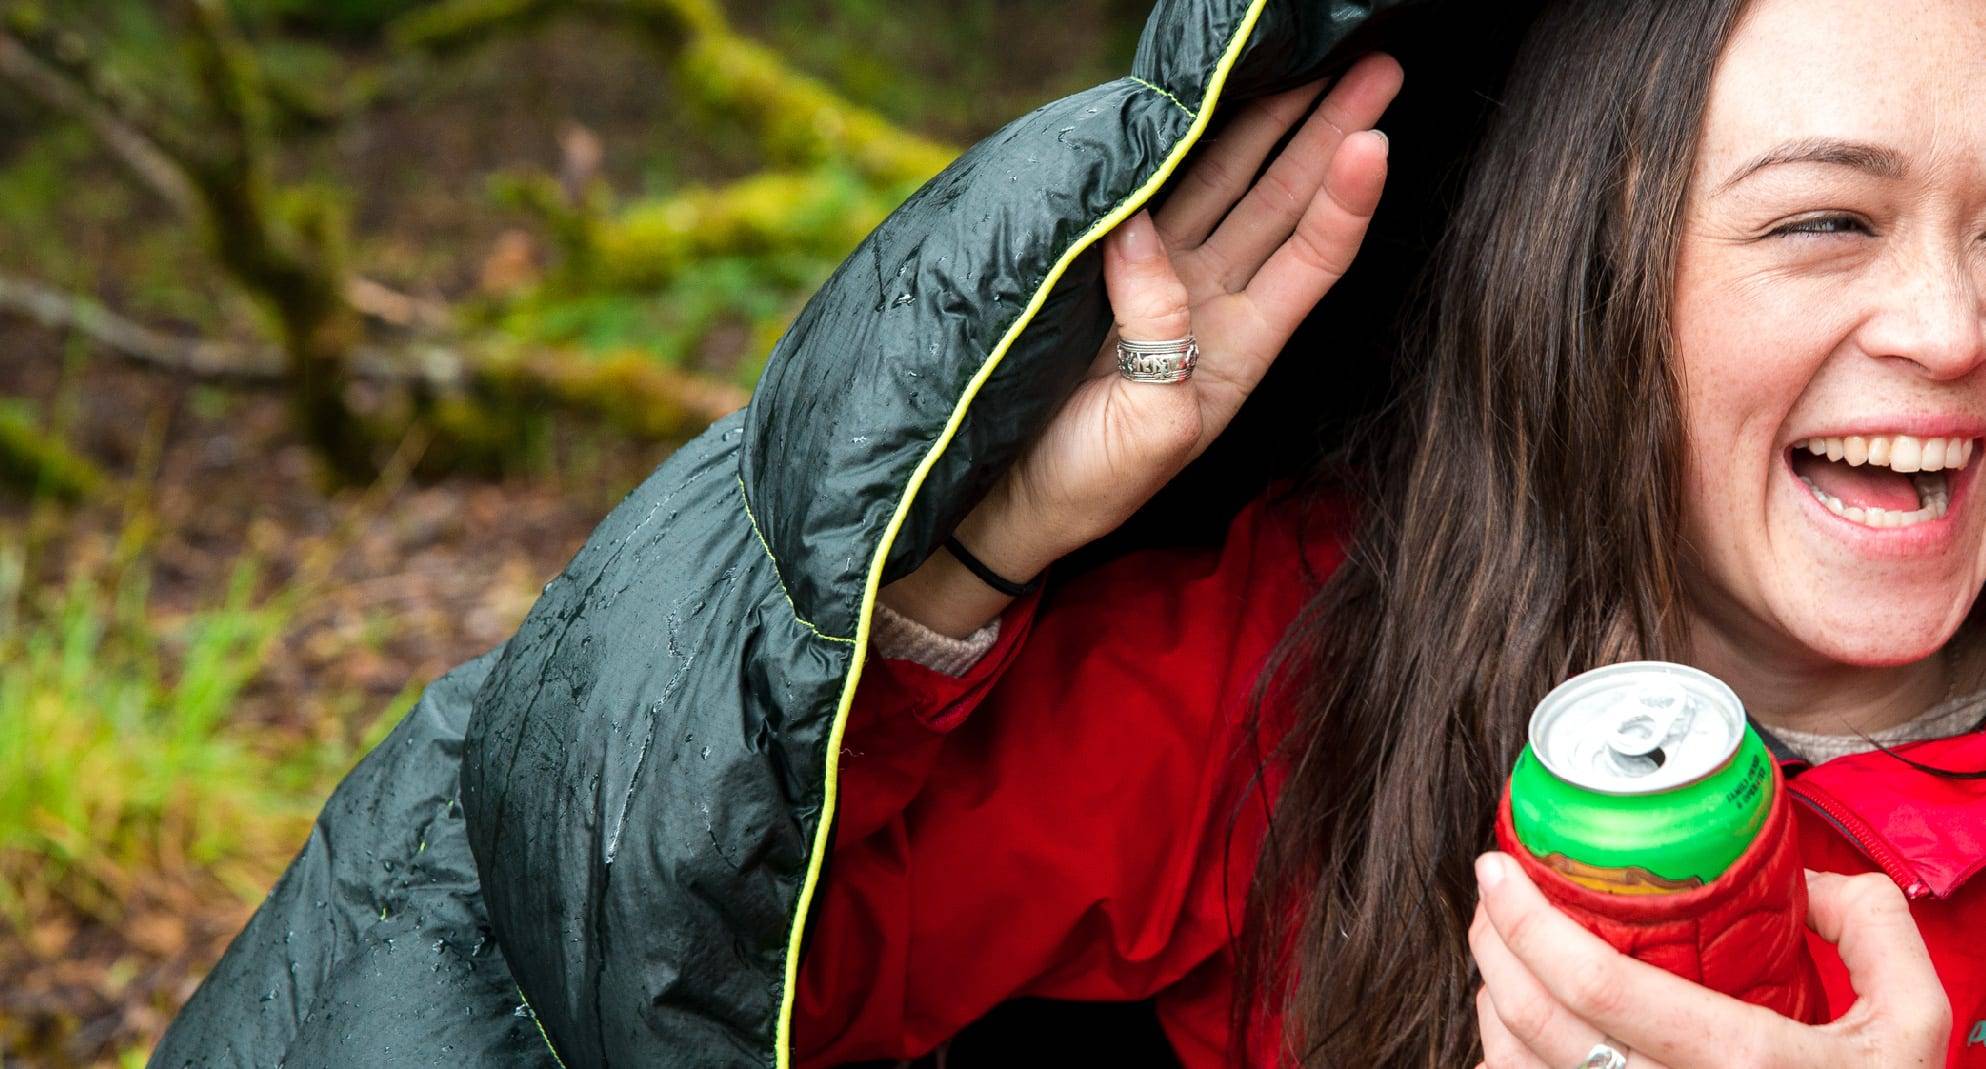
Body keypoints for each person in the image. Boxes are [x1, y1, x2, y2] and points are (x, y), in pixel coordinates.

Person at [792, 0, 1986, 1067]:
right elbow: (764, 970)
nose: (1950, 330)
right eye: (1825, 220)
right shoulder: (1306, 663)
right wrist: (993, 538)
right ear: (1593, 280)